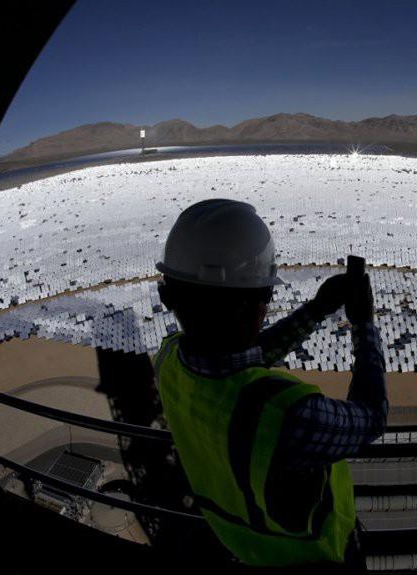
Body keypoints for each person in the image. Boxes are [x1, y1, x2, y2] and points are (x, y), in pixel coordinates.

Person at [152, 199, 388, 571]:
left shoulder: (167, 361)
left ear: (172, 296)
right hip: (313, 560)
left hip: (231, 539)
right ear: (251, 307)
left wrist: (317, 309)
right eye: (266, 296)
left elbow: (236, 357)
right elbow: (372, 417)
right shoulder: (286, 416)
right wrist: (364, 325)